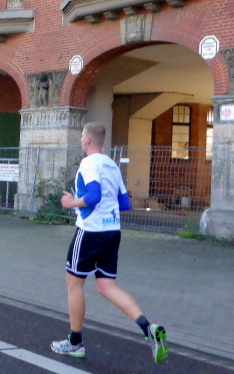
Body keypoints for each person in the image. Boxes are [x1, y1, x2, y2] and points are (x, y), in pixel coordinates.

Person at [52, 122, 169, 364]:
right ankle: (147, 328)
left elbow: (94, 197)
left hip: (90, 232)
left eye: (82, 135)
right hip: (112, 232)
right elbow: (124, 203)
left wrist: (72, 202)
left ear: (88, 140)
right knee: (107, 287)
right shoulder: (112, 165)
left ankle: (75, 343)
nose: (81, 139)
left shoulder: (89, 163)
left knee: (74, 286)